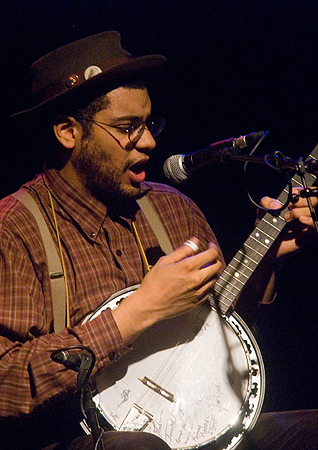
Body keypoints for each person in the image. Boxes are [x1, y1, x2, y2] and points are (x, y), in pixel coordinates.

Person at [0, 31, 317, 450]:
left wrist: (268, 259)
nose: (149, 141)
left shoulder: (172, 209)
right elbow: (5, 386)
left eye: (149, 124)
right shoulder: (15, 229)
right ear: (67, 132)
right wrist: (137, 312)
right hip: (72, 438)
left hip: (190, 425)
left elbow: (218, 337)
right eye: (127, 128)